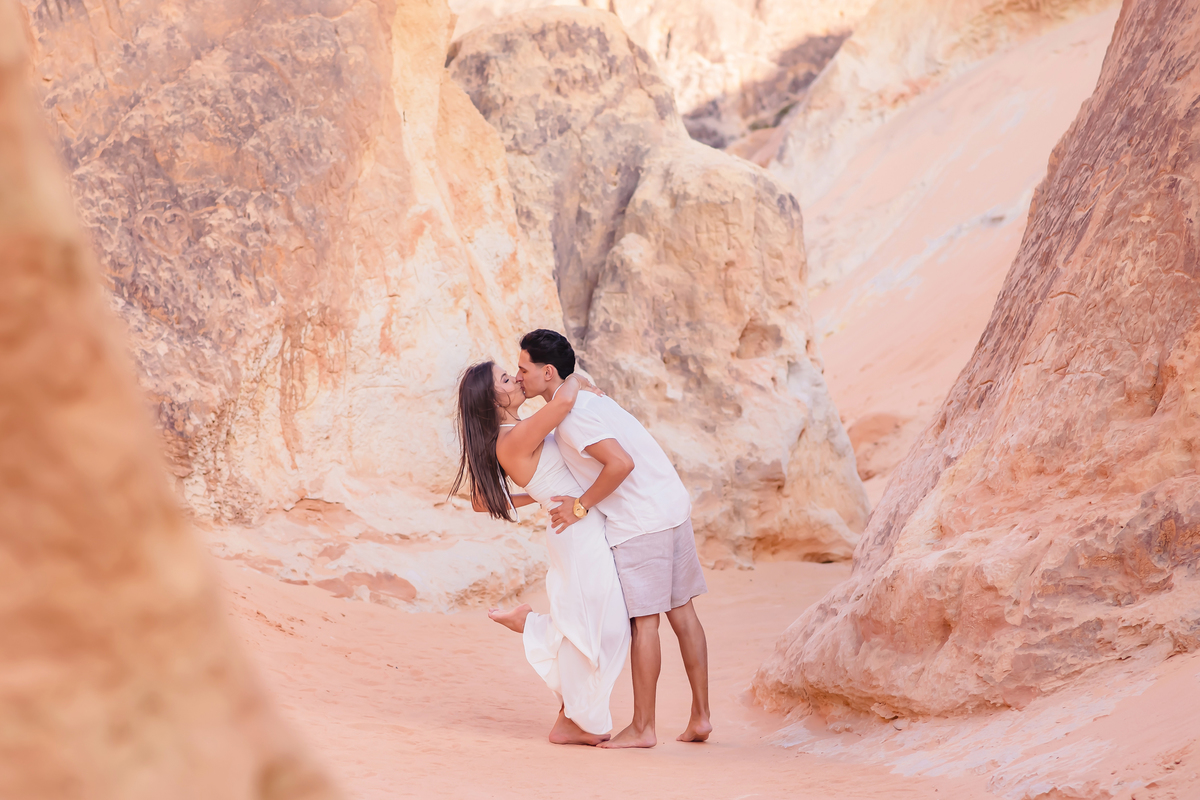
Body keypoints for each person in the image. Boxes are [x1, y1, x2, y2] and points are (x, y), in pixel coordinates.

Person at [515, 329, 712, 749]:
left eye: (522, 369)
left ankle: (643, 728)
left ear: (548, 373)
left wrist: (581, 506)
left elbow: (619, 464)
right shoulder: (583, 396)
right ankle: (700, 717)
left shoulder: (572, 417)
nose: (518, 377)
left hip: (641, 521)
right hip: (670, 503)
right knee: (683, 613)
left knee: (646, 624)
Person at [451, 360, 630, 746]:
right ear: (491, 399)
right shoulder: (513, 437)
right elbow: (563, 402)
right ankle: (575, 714)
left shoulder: (515, 433)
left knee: (600, 624)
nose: (515, 378)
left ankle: (569, 713)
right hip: (574, 532)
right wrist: (579, 379)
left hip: (575, 522)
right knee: (605, 627)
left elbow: (482, 501)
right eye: (504, 378)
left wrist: (540, 496)